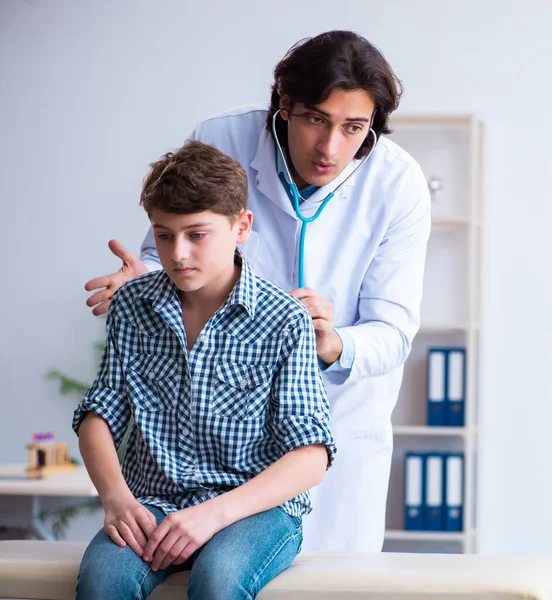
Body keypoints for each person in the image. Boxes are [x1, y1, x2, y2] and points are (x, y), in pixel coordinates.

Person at [85, 30, 431, 553]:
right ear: (285, 104)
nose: (330, 147)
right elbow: (171, 246)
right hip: (217, 440)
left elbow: (394, 330)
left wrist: (334, 343)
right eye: (316, 118)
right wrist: (141, 278)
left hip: (336, 425)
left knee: (328, 584)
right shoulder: (222, 137)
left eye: (353, 128)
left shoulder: (397, 183)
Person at [73, 140, 336, 600]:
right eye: (163, 234)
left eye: (197, 234)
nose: (178, 254)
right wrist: (117, 499)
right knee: (104, 579)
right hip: (154, 502)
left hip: (254, 510)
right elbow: (100, 413)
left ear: (241, 226)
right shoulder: (133, 306)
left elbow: (311, 454)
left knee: (218, 580)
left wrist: (213, 514)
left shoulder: (284, 319)